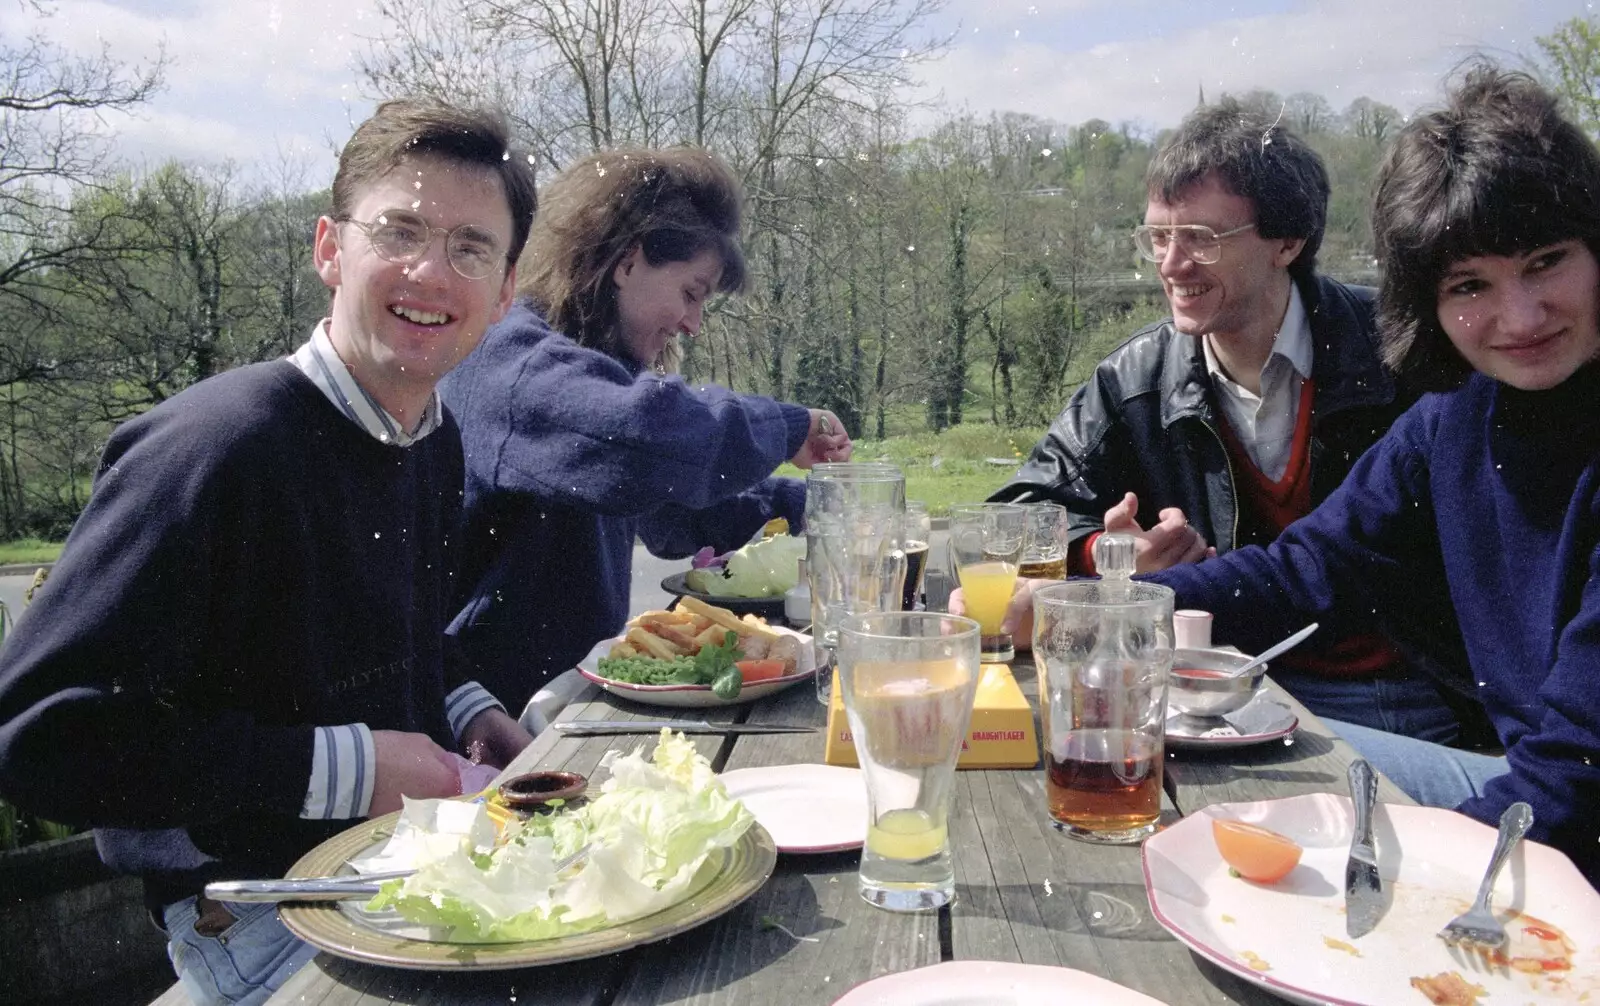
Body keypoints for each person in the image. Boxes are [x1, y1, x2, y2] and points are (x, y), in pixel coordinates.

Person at [986, 65, 1600, 887]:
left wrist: (1420, 887)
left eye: (1547, 261)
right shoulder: (1457, 409)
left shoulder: (1405, 373)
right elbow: (1310, 566)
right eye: (1470, 285)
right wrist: (1106, 597)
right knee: (1168, 770)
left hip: (1544, 803)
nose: (1518, 317)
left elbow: (1573, 774)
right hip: (1500, 774)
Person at [0, 98, 539, 1004]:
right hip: (258, 918)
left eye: (471, 248)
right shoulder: (215, 449)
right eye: (399, 229)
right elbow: (37, 735)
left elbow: (390, 637)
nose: (430, 271)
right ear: (330, 248)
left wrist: (473, 708)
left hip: (402, 875)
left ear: (505, 290)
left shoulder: (432, 441)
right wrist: (354, 771)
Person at [987, 98, 1475, 744]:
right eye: (1159, 237)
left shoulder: (1402, 358)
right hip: (1209, 686)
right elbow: (1015, 516)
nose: (1170, 264)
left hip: (1397, 695)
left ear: (1288, 241)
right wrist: (1106, 554)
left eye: (1201, 239)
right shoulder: (1136, 380)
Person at [441, 147, 851, 715]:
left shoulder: (585, 375)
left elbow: (672, 511)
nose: (693, 324)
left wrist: (820, 508)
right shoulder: (512, 361)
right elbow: (642, 436)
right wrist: (786, 426)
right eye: (691, 292)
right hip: (495, 723)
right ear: (627, 262)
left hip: (576, 698)